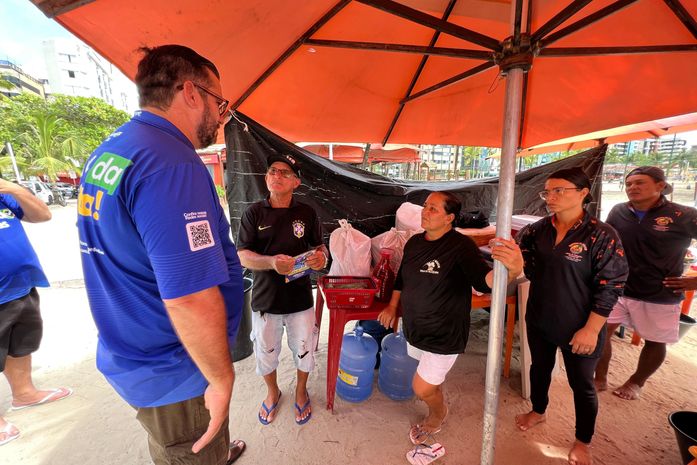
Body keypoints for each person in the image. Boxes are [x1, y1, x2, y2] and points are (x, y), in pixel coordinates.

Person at [77, 45, 245, 464]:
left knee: (178, 447)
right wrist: (221, 379)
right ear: (190, 92)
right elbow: (188, 293)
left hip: (135, 347)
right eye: (219, 102)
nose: (221, 116)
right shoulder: (171, 163)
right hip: (176, 366)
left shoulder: (114, 147)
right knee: (191, 450)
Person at [377, 191, 523, 444]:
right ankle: (436, 394)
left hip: (444, 332)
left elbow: (484, 281)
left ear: (449, 218)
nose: (425, 211)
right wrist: (392, 307)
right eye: (425, 206)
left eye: (433, 209)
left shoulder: (460, 246)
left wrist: (512, 271)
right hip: (415, 328)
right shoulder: (414, 243)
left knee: (421, 388)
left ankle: (438, 413)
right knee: (430, 380)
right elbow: (402, 278)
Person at [515, 168, 628, 465]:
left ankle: (582, 440)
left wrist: (591, 330)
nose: (550, 197)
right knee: (539, 368)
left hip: (581, 323)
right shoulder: (537, 230)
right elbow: (524, 265)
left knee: (582, 383)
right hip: (539, 316)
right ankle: (538, 411)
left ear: (583, 192)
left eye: (559, 190)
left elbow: (612, 285)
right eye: (547, 192)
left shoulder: (602, 235)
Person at [237, 153, 328, 426]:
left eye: (284, 173)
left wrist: (321, 257)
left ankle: (301, 391)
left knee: (304, 349)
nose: (276, 176)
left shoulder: (307, 213)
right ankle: (272, 391)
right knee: (265, 351)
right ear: (266, 178)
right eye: (272, 171)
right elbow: (242, 255)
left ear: (296, 182)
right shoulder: (253, 213)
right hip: (265, 299)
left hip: (300, 298)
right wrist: (271, 263)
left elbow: (319, 247)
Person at [595, 166, 697, 401]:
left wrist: (695, 281)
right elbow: (608, 241)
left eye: (639, 183)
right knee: (601, 331)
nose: (632, 188)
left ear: (660, 186)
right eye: (629, 184)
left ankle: (636, 382)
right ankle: (599, 377)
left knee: (655, 341)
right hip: (617, 285)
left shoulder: (683, 214)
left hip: (659, 289)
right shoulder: (619, 211)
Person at [0, 178, 73, 447]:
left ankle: (24, 393)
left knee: (20, 344)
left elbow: (43, 214)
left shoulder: (4, 195)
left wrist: (13, 188)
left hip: (20, 284)